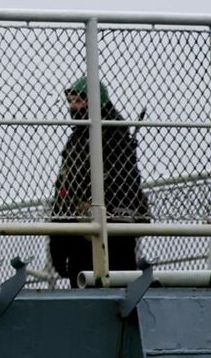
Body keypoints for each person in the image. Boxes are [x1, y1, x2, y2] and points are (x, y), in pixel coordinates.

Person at [47, 76, 150, 285]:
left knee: (117, 287)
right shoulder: (78, 139)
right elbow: (66, 190)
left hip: (112, 229)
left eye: (78, 101)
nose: (72, 107)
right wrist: (58, 238)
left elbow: (123, 183)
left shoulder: (114, 133)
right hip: (81, 230)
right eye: (71, 102)